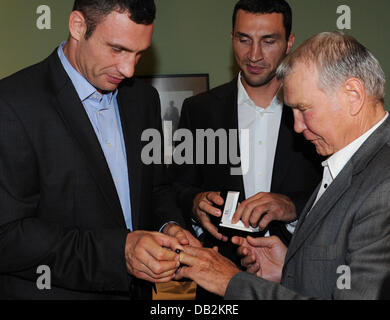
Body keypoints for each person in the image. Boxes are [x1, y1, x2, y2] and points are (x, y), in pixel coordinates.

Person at [0, 0, 199, 300]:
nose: (129, 70)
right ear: (78, 26)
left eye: (139, 54)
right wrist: (120, 252)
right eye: (117, 49)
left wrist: (169, 225)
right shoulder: (12, 104)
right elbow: (8, 235)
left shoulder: (144, 100)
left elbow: (157, 188)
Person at [176, 31, 390, 300]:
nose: (297, 127)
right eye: (292, 112)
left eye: (303, 109)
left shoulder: (384, 186)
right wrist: (291, 266)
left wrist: (231, 282)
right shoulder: (345, 160)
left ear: (353, 95)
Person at [171, 0, 321, 276]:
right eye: (244, 39)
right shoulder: (200, 110)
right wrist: (195, 203)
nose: (254, 55)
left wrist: (292, 208)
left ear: (289, 43)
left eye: (268, 41)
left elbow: (335, 193)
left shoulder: (315, 112)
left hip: (299, 275)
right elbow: (177, 187)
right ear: (232, 38)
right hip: (219, 281)